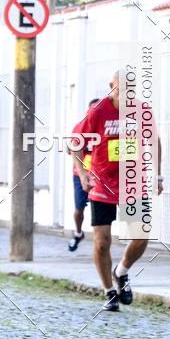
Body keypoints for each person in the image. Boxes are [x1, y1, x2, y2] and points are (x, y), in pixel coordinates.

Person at [75, 71, 163, 312]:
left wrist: (157, 175)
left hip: (132, 183)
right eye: (121, 88)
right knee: (102, 243)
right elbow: (75, 144)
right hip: (102, 186)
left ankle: (121, 271)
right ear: (111, 86)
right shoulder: (98, 112)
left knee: (141, 236)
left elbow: (154, 141)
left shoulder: (142, 110)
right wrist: (83, 174)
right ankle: (109, 292)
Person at [68, 98, 99, 251]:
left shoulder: (107, 127)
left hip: (101, 175)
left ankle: (100, 239)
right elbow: (70, 149)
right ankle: (78, 232)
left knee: (100, 206)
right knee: (79, 209)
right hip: (81, 174)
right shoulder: (79, 127)